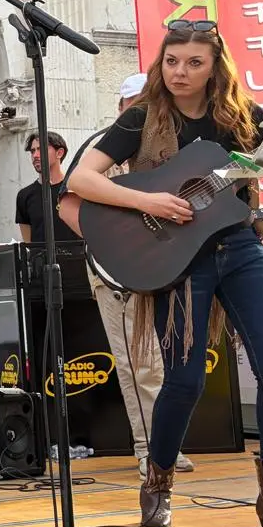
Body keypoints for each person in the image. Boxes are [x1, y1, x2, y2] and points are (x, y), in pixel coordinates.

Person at [66, 21, 263, 527]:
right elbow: (80, 180)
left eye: (194, 62)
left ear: (216, 67)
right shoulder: (141, 117)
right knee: (185, 382)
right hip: (179, 262)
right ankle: (156, 483)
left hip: (242, 248)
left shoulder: (242, 118)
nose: (180, 72)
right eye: (172, 61)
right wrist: (148, 201)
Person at [84, 72, 190, 477]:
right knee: (134, 363)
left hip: (160, 267)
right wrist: (116, 250)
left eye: (145, 101)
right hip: (114, 271)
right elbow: (70, 205)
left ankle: (166, 446)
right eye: (132, 103)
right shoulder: (100, 146)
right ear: (120, 107)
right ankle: (149, 450)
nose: (140, 110)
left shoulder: (164, 148)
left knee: (160, 363)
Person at [15, 131, 81, 247]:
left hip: (76, 262)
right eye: (32, 151)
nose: (35, 155)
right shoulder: (24, 196)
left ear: (59, 153)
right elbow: (29, 243)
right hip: (40, 263)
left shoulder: (76, 189)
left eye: (41, 149)